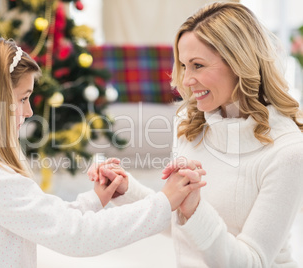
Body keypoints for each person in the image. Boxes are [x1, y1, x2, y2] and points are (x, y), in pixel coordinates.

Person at [0, 35, 207, 267]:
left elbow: (47, 216)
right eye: (23, 99)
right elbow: (78, 235)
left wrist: (95, 199)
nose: (28, 112)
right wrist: (163, 201)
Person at [89, 2, 303, 267]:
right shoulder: (191, 124)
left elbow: (252, 262)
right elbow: (184, 224)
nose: (186, 80)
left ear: (240, 63)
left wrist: (194, 208)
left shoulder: (287, 151)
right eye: (183, 65)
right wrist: (127, 190)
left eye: (198, 65)